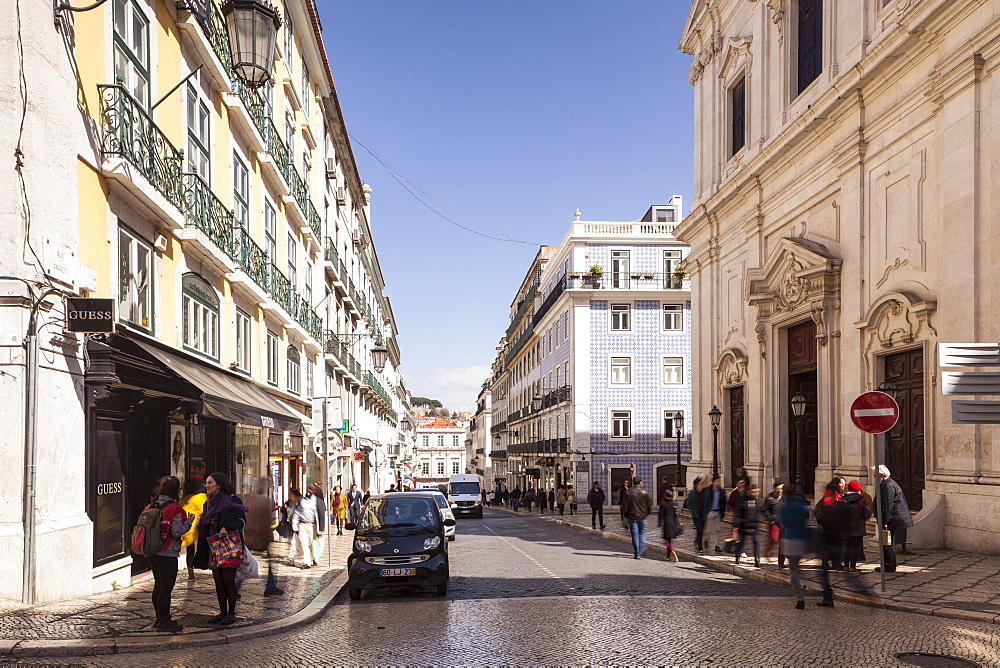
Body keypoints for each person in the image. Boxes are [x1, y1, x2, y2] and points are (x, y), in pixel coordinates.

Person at [144, 476, 193, 632]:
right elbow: (177, 531)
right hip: (167, 552)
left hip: (151, 551)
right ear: (176, 491)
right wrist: (189, 521)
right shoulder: (175, 509)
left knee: (158, 584)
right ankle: (165, 620)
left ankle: (158, 618)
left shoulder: (150, 505)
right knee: (166, 587)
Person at [200, 472, 247, 625]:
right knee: (218, 581)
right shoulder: (208, 503)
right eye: (206, 483)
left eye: (209, 482)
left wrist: (227, 526)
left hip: (229, 546)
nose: (206, 485)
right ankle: (222, 612)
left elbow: (241, 521)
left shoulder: (232, 501)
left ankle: (231, 613)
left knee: (228, 580)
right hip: (213, 546)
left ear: (218, 485)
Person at [242, 477, 283, 598]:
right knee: (269, 564)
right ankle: (270, 587)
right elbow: (267, 522)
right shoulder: (267, 502)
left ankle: (235, 586)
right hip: (260, 537)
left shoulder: (248, 499)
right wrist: (269, 537)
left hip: (247, 536)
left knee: (244, 562)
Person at [776, 486, 810, 609]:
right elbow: (806, 519)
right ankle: (804, 585)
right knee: (800, 568)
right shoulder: (801, 506)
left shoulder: (783, 507)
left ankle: (800, 597)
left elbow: (783, 522)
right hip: (801, 538)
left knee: (793, 571)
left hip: (790, 539)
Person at [876, 465, 913, 573]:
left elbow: (887, 505)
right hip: (892, 518)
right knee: (887, 543)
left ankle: (889, 565)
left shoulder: (888, 486)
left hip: (892, 518)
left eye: (876, 475)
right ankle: (887, 565)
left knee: (887, 543)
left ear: (882, 475)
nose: (874, 477)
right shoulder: (887, 484)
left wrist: (884, 521)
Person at [815, 479, 852, 573]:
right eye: (842, 484)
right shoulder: (830, 494)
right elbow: (829, 508)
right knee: (832, 545)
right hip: (831, 524)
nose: (844, 486)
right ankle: (830, 563)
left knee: (834, 545)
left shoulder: (836, 494)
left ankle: (833, 563)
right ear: (837, 484)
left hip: (835, 524)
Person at [180, 478, 207, 581]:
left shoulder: (184, 499)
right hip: (199, 528)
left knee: (189, 552)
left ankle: (191, 573)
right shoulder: (201, 497)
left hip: (187, 529)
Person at [843, 480, 872, 572]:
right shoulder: (861, 499)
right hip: (858, 527)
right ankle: (852, 567)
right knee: (855, 548)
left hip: (845, 527)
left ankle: (846, 566)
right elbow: (867, 513)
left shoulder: (843, 498)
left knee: (847, 547)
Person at [621, 477, 652, 559]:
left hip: (632, 516)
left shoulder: (628, 492)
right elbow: (649, 505)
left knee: (635, 535)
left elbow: (625, 506)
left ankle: (637, 553)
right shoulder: (645, 492)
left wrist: (626, 515)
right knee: (642, 533)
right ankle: (641, 548)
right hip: (642, 516)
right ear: (640, 483)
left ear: (633, 482)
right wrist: (647, 514)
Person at [733, 484, 763, 566]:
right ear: (748, 491)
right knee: (742, 542)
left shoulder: (757, 500)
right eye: (753, 492)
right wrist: (736, 525)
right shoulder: (742, 499)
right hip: (744, 525)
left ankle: (757, 559)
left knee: (756, 542)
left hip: (754, 525)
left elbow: (759, 512)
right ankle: (737, 556)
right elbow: (737, 513)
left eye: (756, 492)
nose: (755, 494)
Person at [287, 488, 316, 569]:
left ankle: (313, 559)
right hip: (302, 525)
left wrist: (319, 528)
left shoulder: (314, 503)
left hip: (311, 525)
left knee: (309, 544)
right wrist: (295, 528)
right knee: (305, 544)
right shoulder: (301, 503)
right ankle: (307, 562)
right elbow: (296, 514)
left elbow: (317, 514)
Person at [684, 477, 711, 554]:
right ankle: (700, 548)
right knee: (700, 530)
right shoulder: (692, 493)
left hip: (704, 515)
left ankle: (696, 541)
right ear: (696, 485)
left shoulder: (706, 492)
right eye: (700, 483)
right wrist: (694, 510)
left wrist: (707, 511)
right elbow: (688, 504)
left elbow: (709, 503)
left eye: (702, 483)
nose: (702, 485)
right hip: (696, 515)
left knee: (701, 531)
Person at [762, 481, 785, 566]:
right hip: (774, 523)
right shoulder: (769, 498)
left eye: (781, 488)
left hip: (783, 523)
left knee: (782, 542)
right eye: (778, 488)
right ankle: (767, 553)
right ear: (774, 489)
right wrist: (770, 519)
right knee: (774, 538)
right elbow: (764, 509)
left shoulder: (785, 498)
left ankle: (781, 562)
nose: (780, 490)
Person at [705, 476, 727, 553]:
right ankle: (706, 539)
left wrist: (723, 512)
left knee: (718, 529)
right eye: (717, 481)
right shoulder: (708, 490)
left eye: (719, 481)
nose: (719, 483)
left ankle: (716, 545)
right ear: (713, 482)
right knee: (708, 529)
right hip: (710, 512)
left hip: (718, 512)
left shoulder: (721, 491)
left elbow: (724, 502)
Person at [659, 488, 682, 562]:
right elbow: (677, 514)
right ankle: (668, 556)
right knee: (669, 539)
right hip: (674, 523)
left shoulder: (663, 503)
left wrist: (659, 523)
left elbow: (661, 514)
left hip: (667, 523)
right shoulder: (675, 504)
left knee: (668, 541)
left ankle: (674, 554)